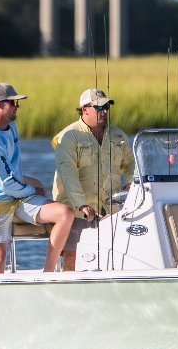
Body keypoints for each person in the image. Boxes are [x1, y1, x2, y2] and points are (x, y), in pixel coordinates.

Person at [0, 83, 74, 274]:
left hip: (16, 198)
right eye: (14, 102)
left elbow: (12, 176)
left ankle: (48, 274)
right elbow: (5, 183)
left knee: (65, 213)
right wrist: (32, 190)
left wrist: (29, 191)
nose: (18, 106)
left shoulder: (11, 126)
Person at [52, 88, 135, 271]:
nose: (104, 111)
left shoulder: (118, 135)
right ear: (84, 109)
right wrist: (81, 204)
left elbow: (130, 163)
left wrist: (130, 181)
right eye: (99, 107)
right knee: (72, 258)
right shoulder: (69, 136)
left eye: (106, 106)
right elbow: (68, 174)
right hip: (76, 211)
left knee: (115, 258)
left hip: (111, 212)